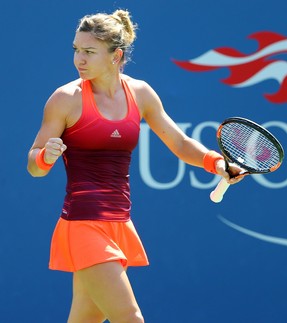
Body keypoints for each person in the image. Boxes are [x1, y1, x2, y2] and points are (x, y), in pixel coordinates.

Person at [27, 9, 244, 323]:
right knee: (130, 318)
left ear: (116, 56)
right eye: (76, 50)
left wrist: (215, 162)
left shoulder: (140, 94)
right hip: (83, 225)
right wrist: (46, 155)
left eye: (89, 52)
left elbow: (180, 143)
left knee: (85, 319)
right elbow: (34, 166)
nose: (79, 59)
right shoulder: (65, 99)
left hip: (119, 224)